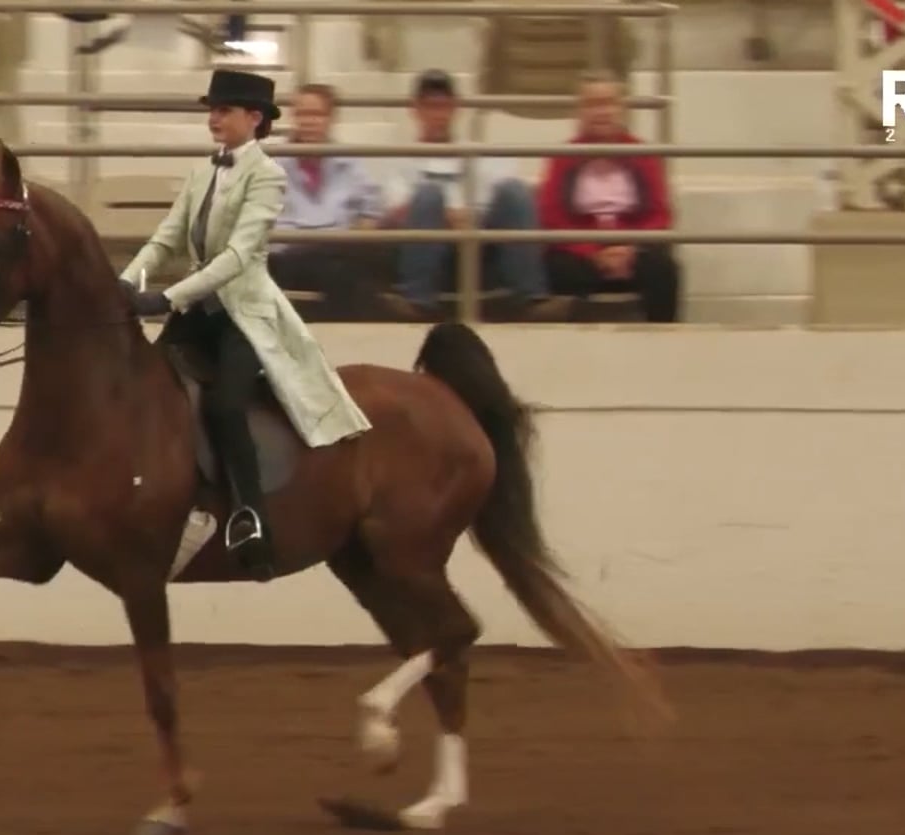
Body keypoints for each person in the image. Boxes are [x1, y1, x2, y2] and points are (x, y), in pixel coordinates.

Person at [119, 68, 372, 581]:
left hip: (243, 315)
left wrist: (167, 296)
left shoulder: (269, 177)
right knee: (147, 390)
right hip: (197, 313)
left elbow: (237, 256)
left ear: (254, 119)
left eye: (224, 110)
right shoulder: (201, 173)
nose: (213, 118)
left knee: (225, 404)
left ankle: (249, 518)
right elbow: (165, 239)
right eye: (212, 110)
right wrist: (126, 282)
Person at [378, 69, 568, 321]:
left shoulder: (479, 154)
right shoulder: (399, 159)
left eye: (443, 107)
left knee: (515, 189)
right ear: (416, 110)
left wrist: (472, 219)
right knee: (428, 195)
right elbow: (398, 212)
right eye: (430, 107)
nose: (437, 115)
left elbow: (505, 203)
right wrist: (446, 217)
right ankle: (417, 300)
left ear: (455, 109)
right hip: (428, 242)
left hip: (481, 241)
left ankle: (531, 299)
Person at [535, 71, 682, 323]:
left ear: (622, 108)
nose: (602, 112)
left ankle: (664, 342)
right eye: (593, 104)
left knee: (664, 268)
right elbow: (552, 217)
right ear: (580, 111)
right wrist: (592, 252)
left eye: (609, 103)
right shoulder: (563, 157)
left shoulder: (643, 154)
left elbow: (659, 214)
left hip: (633, 249)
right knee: (556, 269)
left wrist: (630, 249)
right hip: (581, 254)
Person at [270, 82, 386, 321]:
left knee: (349, 268)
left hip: (337, 253)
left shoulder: (349, 163)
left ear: (331, 118)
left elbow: (371, 208)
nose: (309, 121)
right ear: (293, 117)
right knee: (347, 274)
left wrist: (364, 226)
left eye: (317, 114)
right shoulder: (273, 164)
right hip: (288, 255)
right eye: (303, 114)